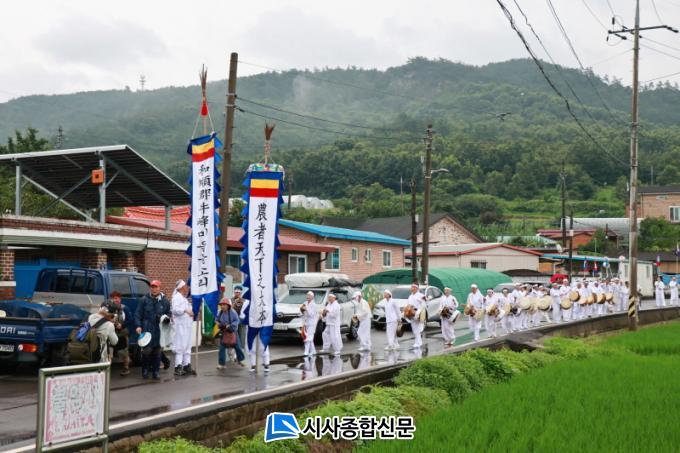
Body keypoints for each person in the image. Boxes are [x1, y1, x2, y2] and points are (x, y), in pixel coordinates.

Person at [135, 280, 171, 380]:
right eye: (152, 287)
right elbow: (137, 314)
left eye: (156, 287)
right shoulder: (144, 300)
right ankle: (145, 370)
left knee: (157, 351)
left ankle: (156, 372)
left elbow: (169, 313)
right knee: (146, 350)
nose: (154, 289)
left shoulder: (165, 301)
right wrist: (138, 326)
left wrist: (166, 318)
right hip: (147, 328)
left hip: (159, 329)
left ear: (159, 288)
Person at [104, 291, 133, 375]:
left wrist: (122, 325)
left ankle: (126, 368)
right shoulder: (108, 309)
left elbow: (130, 320)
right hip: (111, 333)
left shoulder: (125, 308)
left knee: (124, 352)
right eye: (113, 298)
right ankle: (107, 370)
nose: (115, 300)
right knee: (109, 352)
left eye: (116, 298)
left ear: (120, 299)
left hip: (122, 334)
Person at [171, 280, 193, 376]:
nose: (187, 288)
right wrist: (185, 310)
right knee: (180, 346)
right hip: (180, 326)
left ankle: (187, 365)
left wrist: (193, 311)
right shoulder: (176, 297)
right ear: (181, 287)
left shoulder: (184, 298)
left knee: (187, 345)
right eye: (185, 286)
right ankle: (178, 366)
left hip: (187, 325)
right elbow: (175, 310)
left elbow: (189, 310)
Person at [216, 298, 245, 369]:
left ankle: (240, 360)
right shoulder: (219, 312)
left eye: (224, 305)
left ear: (228, 305)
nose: (222, 306)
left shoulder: (233, 312)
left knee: (238, 347)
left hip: (232, 331)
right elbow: (216, 320)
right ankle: (221, 364)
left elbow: (237, 320)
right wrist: (219, 324)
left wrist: (230, 325)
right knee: (221, 348)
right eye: (221, 305)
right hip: (223, 332)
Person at [407, 283, 426, 349]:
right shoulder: (410, 296)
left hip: (418, 313)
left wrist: (418, 311)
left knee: (417, 328)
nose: (412, 288)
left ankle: (418, 343)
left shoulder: (421, 295)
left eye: (413, 287)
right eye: (411, 287)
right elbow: (409, 304)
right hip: (411, 314)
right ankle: (418, 342)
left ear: (417, 288)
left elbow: (424, 304)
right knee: (414, 328)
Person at [301, 291, 318, 356]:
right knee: (310, 338)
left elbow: (312, 314)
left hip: (312, 323)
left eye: (309, 295)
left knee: (308, 338)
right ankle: (313, 351)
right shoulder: (305, 303)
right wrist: (302, 309)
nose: (307, 297)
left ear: (312, 297)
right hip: (306, 322)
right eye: (307, 295)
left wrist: (306, 309)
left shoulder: (314, 305)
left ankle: (306, 351)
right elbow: (302, 311)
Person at [231, 286, 248, 353]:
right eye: (236, 292)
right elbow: (230, 309)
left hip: (242, 319)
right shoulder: (231, 300)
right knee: (235, 334)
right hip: (233, 319)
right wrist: (234, 303)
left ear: (241, 293)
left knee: (242, 334)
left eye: (239, 292)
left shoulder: (245, 300)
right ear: (234, 292)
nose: (237, 293)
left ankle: (242, 348)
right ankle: (236, 348)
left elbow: (245, 310)